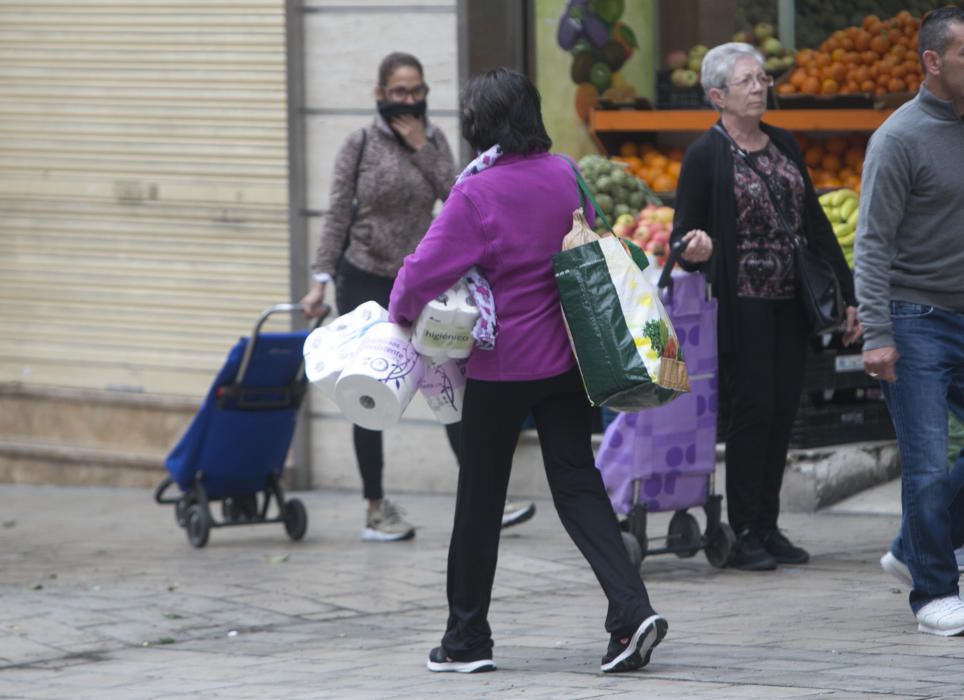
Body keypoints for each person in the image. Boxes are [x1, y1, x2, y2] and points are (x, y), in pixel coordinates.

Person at [388, 68, 667, 674]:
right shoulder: (564, 171)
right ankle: (630, 614)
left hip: (501, 367)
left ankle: (466, 641)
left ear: (478, 127)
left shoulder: (476, 194)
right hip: (569, 361)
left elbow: (419, 274)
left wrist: (399, 318)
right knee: (578, 485)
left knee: (481, 499)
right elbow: (589, 233)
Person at [300, 52, 535, 542]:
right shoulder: (359, 144)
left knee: (446, 383)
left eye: (417, 91)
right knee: (369, 385)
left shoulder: (435, 140)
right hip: (365, 277)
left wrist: (420, 147)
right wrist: (319, 279)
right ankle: (375, 507)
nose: (409, 101)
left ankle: (485, 494)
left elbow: (460, 197)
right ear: (380, 95)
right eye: (399, 92)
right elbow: (338, 214)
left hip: (423, 282)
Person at [669, 43, 861, 571]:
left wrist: (848, 295)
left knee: (782, 412)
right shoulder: (704, 154)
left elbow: (817, 224)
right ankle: (745, 528)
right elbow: (680, 235)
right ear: (717, 96)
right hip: (742, 307)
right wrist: (695, 248)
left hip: (790, 303)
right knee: (752, 413)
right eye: (746, 81)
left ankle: (768, 525)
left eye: (762, 78)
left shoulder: (783, 144)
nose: (759, 87)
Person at [857, 6, 964, 637]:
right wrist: (877, 333)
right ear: (933, 61)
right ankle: (932, 593)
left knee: (932, 469)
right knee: (924, 461)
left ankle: (913, 543)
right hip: (913, 316)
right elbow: (870, 242)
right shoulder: (897, 138)